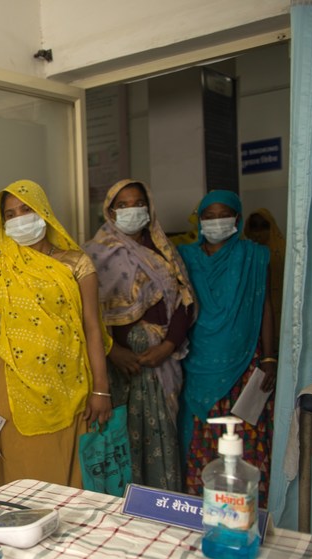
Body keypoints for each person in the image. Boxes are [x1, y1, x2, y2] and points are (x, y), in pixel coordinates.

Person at [0, 179, 112, 495]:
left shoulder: (76, 263)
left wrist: (101, 390)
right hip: (10, 386)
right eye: (10, 214)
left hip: (69, 384)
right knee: (20, 480)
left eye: (26, 209)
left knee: (68, 479)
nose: (19, 218)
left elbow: (92, 327)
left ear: (43, 211)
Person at [84, 179, 196, 491]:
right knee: (121, 438)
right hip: (117, 367)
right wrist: (112, 352)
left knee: (160, 434)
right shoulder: (92, 254)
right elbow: (85, 313)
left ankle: (161, 504)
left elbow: (184, 303)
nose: (132, 210)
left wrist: (169, 345)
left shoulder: (163, 250)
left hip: (159, 362)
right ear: (110, 210)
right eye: (123, 205)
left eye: (138, 203)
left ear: (148, 207)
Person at [178, 191, 277, 506]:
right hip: (196, 364)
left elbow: (265, 307)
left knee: (244, 444)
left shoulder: (255, 256)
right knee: (199, 442)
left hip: (244, 364)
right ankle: (200, 509)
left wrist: (270, 356)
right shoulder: (185, 258)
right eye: (208, 215)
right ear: (200, 220)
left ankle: (248, 511)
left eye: (223, 214)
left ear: (237, 218)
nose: (215, 221)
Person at [244, 208, 285, 330]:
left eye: (263, 226)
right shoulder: (243, 253)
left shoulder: (285, 251)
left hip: (281, 309)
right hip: (251, 313)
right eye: (254, 226)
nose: (258, 231)